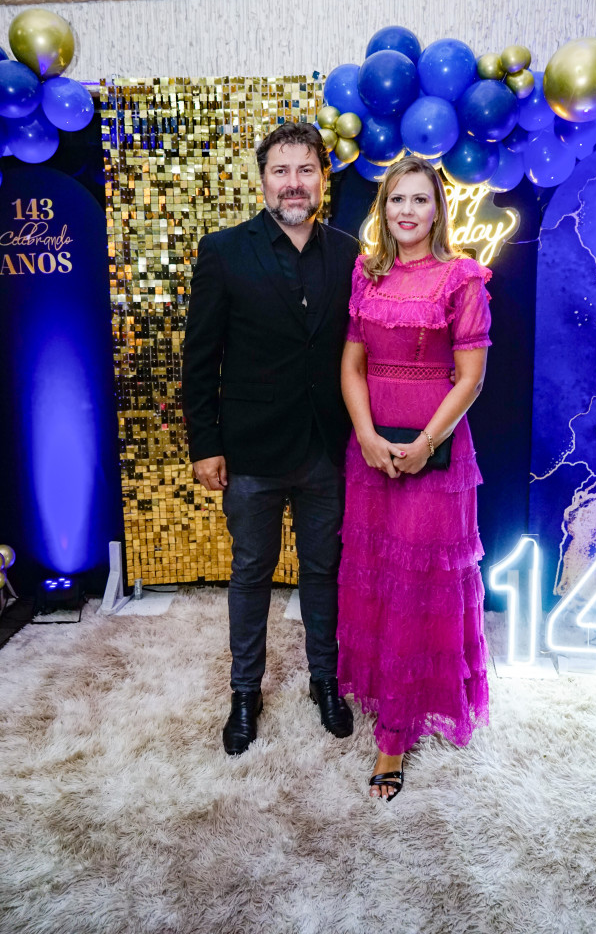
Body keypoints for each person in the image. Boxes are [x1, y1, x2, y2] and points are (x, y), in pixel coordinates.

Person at [182, 122, 359, 756]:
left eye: (305, 170)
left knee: (323, 571)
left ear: (322, 179)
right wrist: (205, 444)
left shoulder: (350, 254)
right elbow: (199, 358)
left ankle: (324, 681)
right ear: (262, 181)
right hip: (250, 450)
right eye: (281, 171)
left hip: (325, 447)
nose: (293, 183)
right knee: (251, 572)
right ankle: (244, 693)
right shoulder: (224, 251)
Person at [338, 155, 492, 800]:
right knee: (378, 579)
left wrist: (427, 443)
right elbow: (352, 365)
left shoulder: (462, 278)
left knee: (417, 585)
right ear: (384, 208)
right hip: (371, 452)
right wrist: (366, 435)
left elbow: (470, 379)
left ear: (438, 210)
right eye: (396, 199)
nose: (407, 210)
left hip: (435, 455)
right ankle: (385, 697)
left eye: (420, 200)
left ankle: (394, 737)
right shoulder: (366, 274)